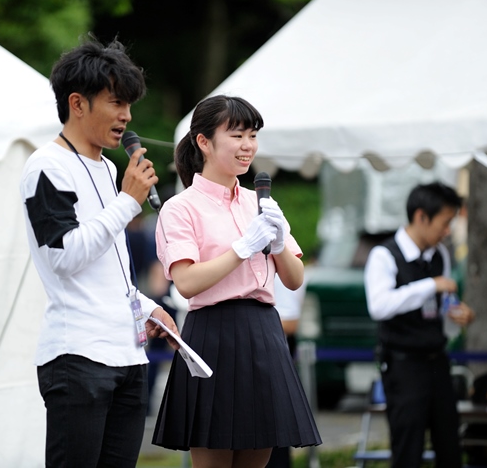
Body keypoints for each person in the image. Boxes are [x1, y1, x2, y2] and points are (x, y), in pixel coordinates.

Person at [19, 37, 179, 468]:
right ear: (78, 103)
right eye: (117, 102)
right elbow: (63, 256)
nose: (127, 116)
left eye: (129, 104)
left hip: (127, 355)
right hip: (78, 358)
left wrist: (148, 307)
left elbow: (109, 268)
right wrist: (127, 203)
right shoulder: (46, 166)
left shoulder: (109, 168)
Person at [152, 95, 321, 468]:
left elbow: (294, 279)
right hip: (213, 334)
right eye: (237, 135)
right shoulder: (181, 207)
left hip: (264, 332)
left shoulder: (259, 202)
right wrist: (242, 248)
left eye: (253, 136)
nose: (248, 146)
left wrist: (279, 242)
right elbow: (186, 282)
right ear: (204, 141)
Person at [364, 182, 475, 468]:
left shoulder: (440, 255)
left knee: (450, 445)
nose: (447, 231)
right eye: (445, 223)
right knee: (408, 449)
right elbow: (379, 305)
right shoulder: (384, 255)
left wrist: (456, 314)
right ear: (421, 216)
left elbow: (442, 306)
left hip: (437, 360)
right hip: (403, 365)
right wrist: (430, 285)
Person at [266, 276, 307, 468]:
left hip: (270, 359)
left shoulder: (273, 269)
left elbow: (291, 323)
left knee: (272, 436)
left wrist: (247, 322)